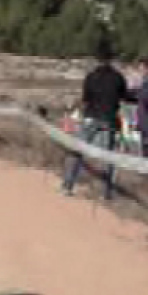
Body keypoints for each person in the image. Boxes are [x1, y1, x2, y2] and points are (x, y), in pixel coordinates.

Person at [61, 43, 132, 199]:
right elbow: (125, 97)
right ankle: (105, 192)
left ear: (96, 59)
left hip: (90, 117)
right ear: (111, 59)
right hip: (109, 119)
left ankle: (67, 185)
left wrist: (72, 113)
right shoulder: (118, 77)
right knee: (108, 156)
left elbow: (85, 99)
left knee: (78, 151)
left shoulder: (91, 76)